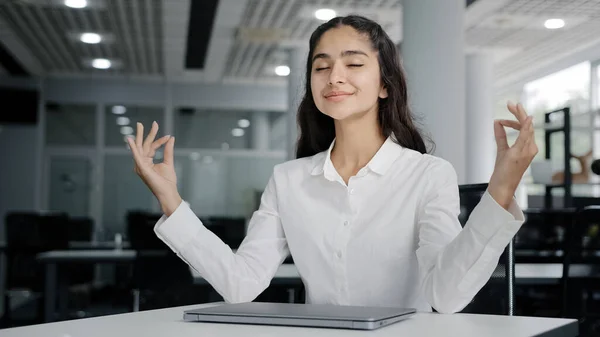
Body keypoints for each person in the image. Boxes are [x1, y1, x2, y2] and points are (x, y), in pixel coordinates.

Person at [127, 15, 537, 314]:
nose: (333, 76)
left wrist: (500, 191)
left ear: (384, 85)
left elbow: (446, 297)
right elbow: (240, 283)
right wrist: (171, 201)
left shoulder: (428, 175)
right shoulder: (287, 180)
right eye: (321, 66)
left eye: (354, 64)